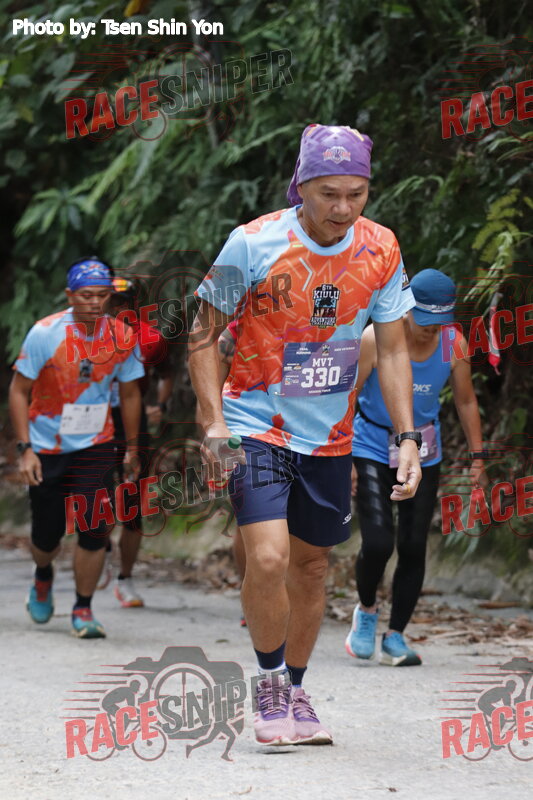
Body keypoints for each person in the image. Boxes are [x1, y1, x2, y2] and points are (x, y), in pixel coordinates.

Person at [189, 123, 423, 746]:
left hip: (330, 436)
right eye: (328, 194)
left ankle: (295, 690)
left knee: (313, 567)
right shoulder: (254, 242)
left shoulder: (381, 248)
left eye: (356, 193)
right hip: (254, 424)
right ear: (301, 185)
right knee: (269, 557)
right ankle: (268, 686)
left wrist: (407, 436)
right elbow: (203, 332)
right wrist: (213, 421)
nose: (343, 208)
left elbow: (392, 350)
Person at [345, 269, 487, 666]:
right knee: (378, 542)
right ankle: (366, 610)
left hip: (424, 450)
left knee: (412, 545)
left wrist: (478, 458)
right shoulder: (376, 337)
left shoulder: (453, 344)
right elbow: (349, 395)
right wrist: (342, 458)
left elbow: (466, 401)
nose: (430, 331)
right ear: (406, 307)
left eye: (438, 324)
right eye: (424, 321)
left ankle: (396, 636)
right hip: (371, 444)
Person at [8, 258, 144, 638]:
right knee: (46, 536)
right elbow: (18, 391)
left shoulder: (121, 335)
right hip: (46, 446)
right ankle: (43, 574)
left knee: (95, 528)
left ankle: (83, 609)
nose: (95, 302)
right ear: (70, 296)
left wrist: (132, 448)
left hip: (96, 443)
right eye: (86, 295)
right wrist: (25, 449)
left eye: (102, 295)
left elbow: (130, 393)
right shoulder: (45, 333)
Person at [98, 277, 173, 607]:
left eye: (123, 302)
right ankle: (98, 549)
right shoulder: (84, 337)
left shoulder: (149, 337)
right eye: (112, 302)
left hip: (133, 423)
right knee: (96, 497)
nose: (116, 308)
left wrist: (159, 405)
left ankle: (125, 579)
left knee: (131, 502)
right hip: (95, 424)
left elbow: (166, 373)